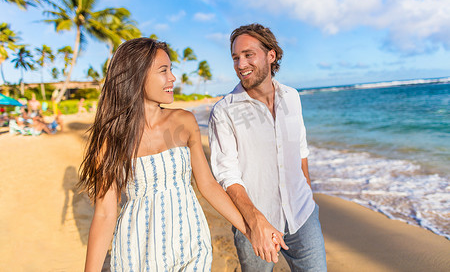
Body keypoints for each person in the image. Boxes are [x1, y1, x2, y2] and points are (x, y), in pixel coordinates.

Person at [79, 38, 252, 271]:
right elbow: (105, 214)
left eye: (171, 70)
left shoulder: (183, 121)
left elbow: (208, 185)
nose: (172, 78)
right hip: (137, 252)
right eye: (164, 70)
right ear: (137, 76)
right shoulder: (111, 141)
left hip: (191, 245)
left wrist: (249, 229)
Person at [208, 23, 327, 271]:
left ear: (271, 55)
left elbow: (301, 150)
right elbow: (227, 175)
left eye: (248, 55)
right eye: (235, 58)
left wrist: (307, 191)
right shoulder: (224, 111)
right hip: (255, 224)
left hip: (302, 216)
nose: (240, 65)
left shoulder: (292, 97)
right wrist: (255, 221)